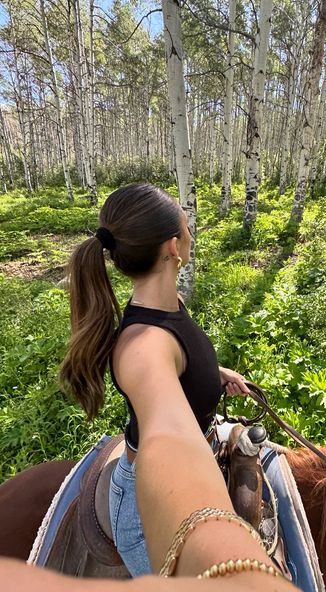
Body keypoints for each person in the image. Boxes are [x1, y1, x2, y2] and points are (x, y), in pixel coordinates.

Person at [58, 183, 281, 580]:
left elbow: (182, 357)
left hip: (206, 438)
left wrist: (215, 374)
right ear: (173, 248)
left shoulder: (168, 303)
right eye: (187, 226)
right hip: (146, 511)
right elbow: (170, 438)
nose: (192, 235)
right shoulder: (143, 351)